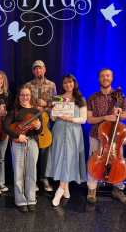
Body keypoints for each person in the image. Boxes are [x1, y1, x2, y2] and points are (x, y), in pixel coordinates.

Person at [86, 68, 126, 205]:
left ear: (112, 78)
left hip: (115, 137)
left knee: (118, 162)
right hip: (97, 135)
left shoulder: (120, 97)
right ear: (98, 79)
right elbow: (90, 120)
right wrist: (105, 117)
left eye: (108, 76)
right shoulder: (92, 98)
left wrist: (119, 113)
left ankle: (118, 189)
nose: (105, 78)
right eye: (102, 76)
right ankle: (92, 189)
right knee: (93, 162)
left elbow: (125, 115)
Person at [45, 74, 87, 206]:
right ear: (62, 85)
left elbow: (84, 119)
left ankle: (60, 189)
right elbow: (52, 118)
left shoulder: (80, 99)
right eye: (65, 83)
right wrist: (52, 109)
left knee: (69, 159)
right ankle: (66, 187)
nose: (68, 85)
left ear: (74, 83)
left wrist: (72, 119)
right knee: (60, 158)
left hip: (73, 132)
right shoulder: (58, 98)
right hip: (58, 131)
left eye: (70, 82)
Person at [2, 85, 42, 213]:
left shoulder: (36, 111)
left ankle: (31, 199)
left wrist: (38, 126)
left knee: (31, 172)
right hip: (18, 142)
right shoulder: (14, 111)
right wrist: (17, 136)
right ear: (18, 97)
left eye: (27, 95)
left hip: (33, 142)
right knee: (19, 171)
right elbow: (5, 127)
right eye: (22, 95)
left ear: (31, 97)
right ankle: (20, 200)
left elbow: (40, 130)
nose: (25, 97)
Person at [25, 60, 56, 192]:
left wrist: (46, 103)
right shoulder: (28, 85)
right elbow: (23, 102)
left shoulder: (51, 85)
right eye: (35, 69)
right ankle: (32, 180)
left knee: (44, 152)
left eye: (40, 68)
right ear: (33, 71)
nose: (38, 71)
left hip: (45, 121)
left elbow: (57, 103)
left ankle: (43, 178)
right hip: (31, 122)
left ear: (44, 69)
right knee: (32, 152)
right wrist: (33, 106)